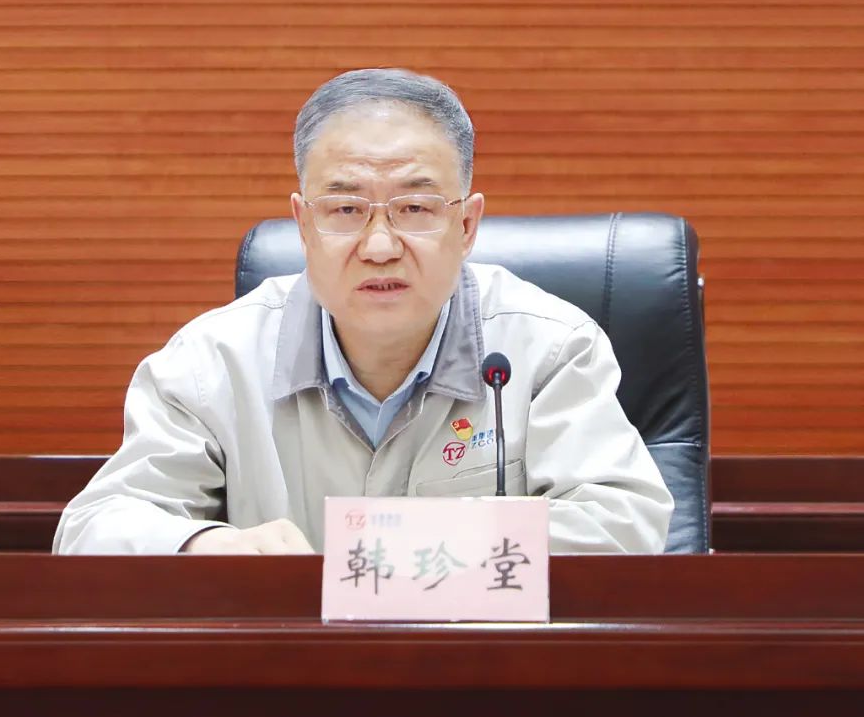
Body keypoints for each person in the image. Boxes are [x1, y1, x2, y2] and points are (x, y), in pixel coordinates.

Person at [53, 68, 673, 555]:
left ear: (466, 226)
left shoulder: (549, 349)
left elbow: (625, 524)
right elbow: (93, 528)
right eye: (346, 210)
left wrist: (401, 546)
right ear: (304, 225)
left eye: (415, 209)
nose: (379, 247)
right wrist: (204, 544)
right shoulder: (211, 361)